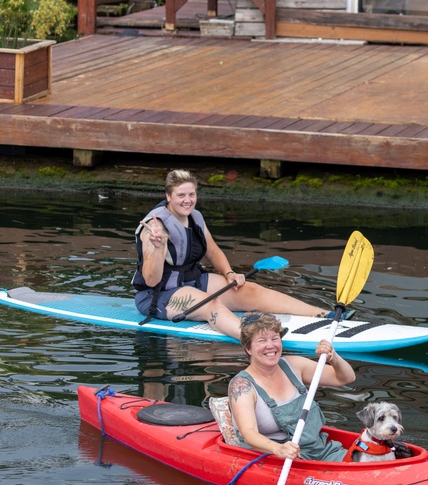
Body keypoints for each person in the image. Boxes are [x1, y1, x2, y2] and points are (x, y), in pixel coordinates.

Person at [132, 169, 329, 339]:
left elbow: (212, 250)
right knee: (211, 304)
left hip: (193, 280)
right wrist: (158, 248)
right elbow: (150, 280)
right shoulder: (155, 227)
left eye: (191, 194)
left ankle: (323, 314)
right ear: (168, 196)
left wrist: (229, 274)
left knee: (250, 290)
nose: (187, 200)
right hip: (159, 294)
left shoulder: (195, 216)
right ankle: (255, 338)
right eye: (181, 195)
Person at [228, 312, 355, 462]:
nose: (270, 345)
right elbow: (249, 433)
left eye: (275, 338)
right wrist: (279, 449)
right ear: (248, 349)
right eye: (262, 340)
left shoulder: (295, 365)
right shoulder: (242, 386)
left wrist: (333, 357)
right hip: (277, 460)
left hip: (321, 450)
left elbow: (346, 378)